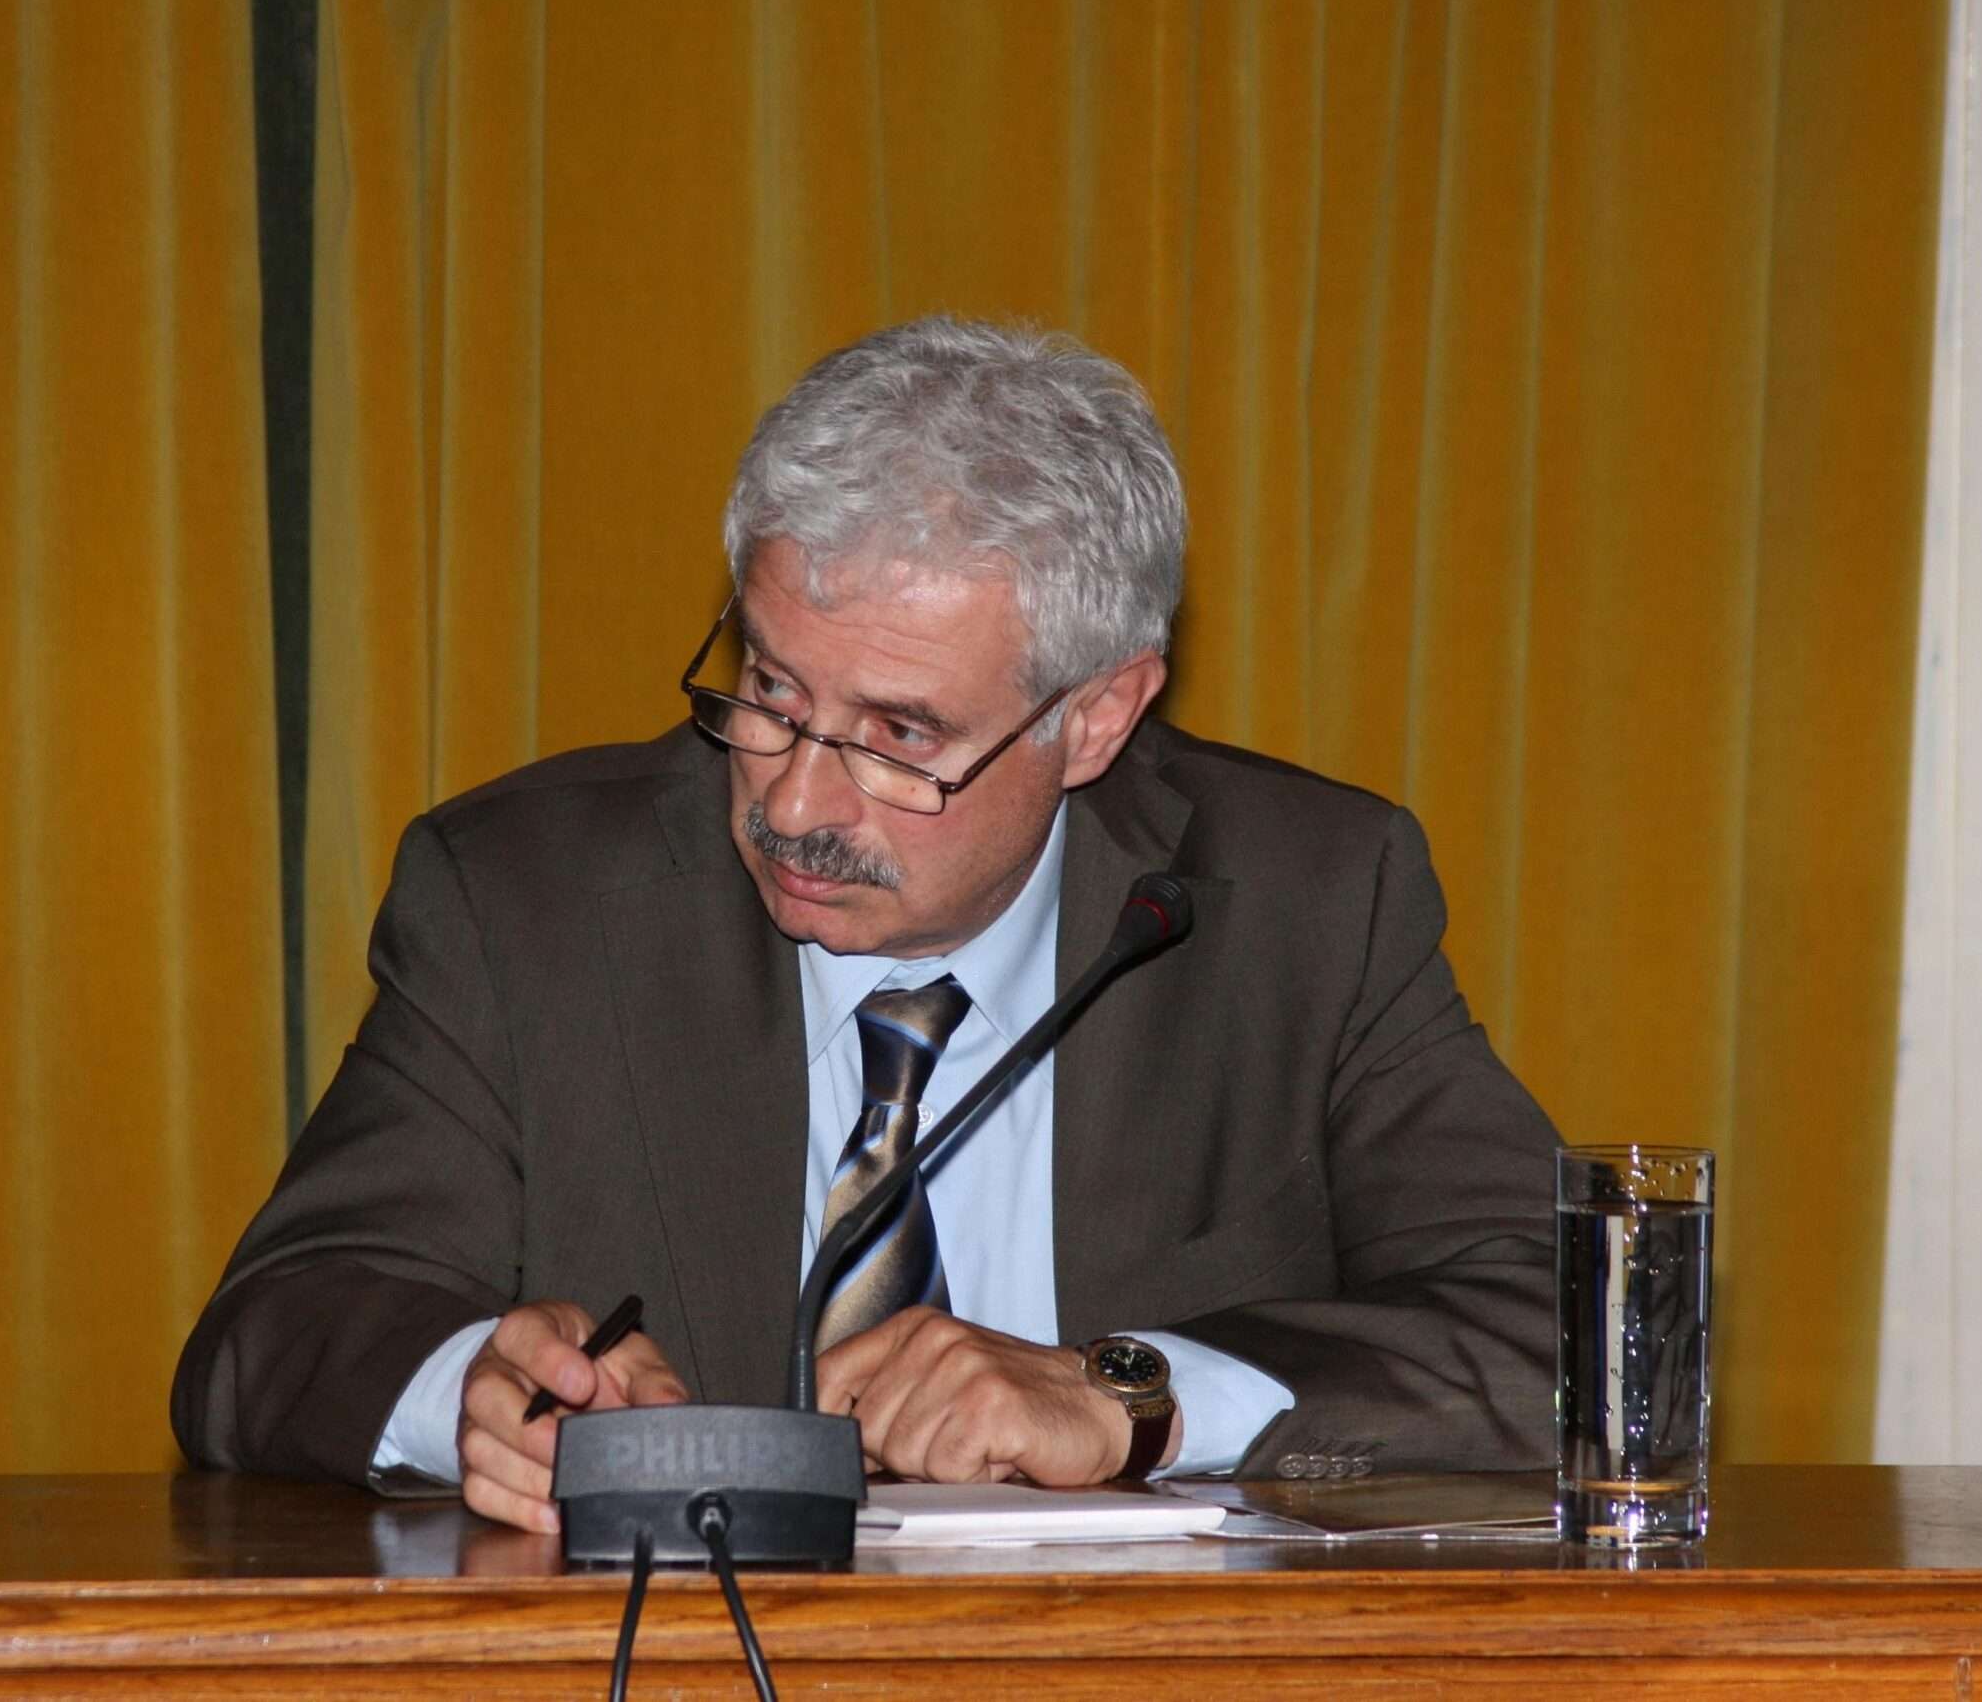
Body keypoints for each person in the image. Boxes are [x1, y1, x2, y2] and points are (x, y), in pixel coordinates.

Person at [173, 316, 1561, 1535]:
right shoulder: (526, 901)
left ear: (1096, 718)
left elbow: (1565, 1331)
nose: (794, 801)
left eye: (901, 739)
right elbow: (274, 1331)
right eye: (773, 694)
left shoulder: (1305, 904)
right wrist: (467, 1387)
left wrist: (1131, 1398)